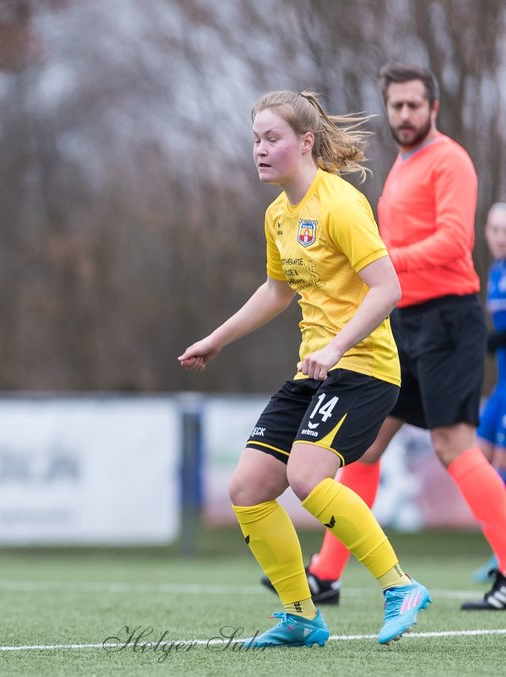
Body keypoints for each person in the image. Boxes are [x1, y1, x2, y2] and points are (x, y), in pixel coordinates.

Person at [180, 89, 430, 647]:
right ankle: (300, 616)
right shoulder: (277, 214)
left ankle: (400, 586)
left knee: (306, 477)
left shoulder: (340, 203)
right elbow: (275, 291)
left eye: (272, 139)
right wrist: (216, 340)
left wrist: (338, 346)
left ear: (306, 142)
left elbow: (388, 288)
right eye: (255, 140)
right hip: (314, 372)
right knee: (247, 488)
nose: (260, 151)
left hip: (364, 369)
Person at [284, 63, 506, 612]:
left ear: (433, 108)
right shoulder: (402, 166)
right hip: (401, 322)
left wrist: (377, 260)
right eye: (396, 105)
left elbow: (454, 243)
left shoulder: (450, 160)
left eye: (414, 105)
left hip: (449, 319)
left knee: (452, 445)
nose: (404, 114)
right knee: (366, 444)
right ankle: (326, 576)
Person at [471, 202, 506, 594]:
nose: (500, 236)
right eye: (494, 229)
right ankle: (500, 550)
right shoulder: (495, 272)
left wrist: (482, 341)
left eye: (505, 229)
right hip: (501, 387)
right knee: (479, 462)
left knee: (499, 468)